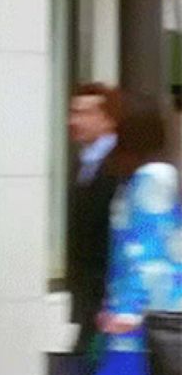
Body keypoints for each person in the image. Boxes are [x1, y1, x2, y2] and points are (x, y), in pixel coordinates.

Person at [91, 93, 182, 375]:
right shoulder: (141, 176)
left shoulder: (152, 177)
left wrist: (127, 310)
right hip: (130, 326)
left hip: (139, 331)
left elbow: (147, 251)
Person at [67, 83, 122, 353]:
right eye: (73, 112)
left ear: (108, 119)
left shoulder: (121, 165)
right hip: (90, 298)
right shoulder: (84, 164)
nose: (74, 120)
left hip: (110, 300)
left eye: (84, 113)